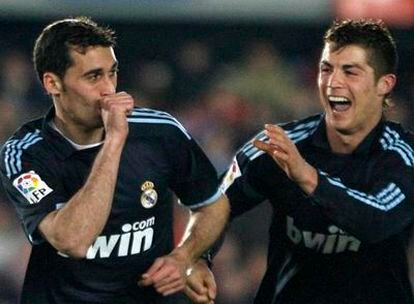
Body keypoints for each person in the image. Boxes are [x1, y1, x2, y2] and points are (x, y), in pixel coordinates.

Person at [0, 16, 230, 304]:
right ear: (52, 83)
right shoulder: (25, 154)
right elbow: (73, 240)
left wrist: (186, 256)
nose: (109, 89)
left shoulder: (161, 132)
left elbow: (212, 203)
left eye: (113, 73)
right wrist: (115, 141)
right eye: (94, 77)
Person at [186, 19, 414, 304]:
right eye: (326, 69)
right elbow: (214, 202)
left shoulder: (403, 156)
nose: (333, 82)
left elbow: (377, 220)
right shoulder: (280, 145)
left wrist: (306, 175)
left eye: (350, 71)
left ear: (385, 84)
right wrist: (196, 257)